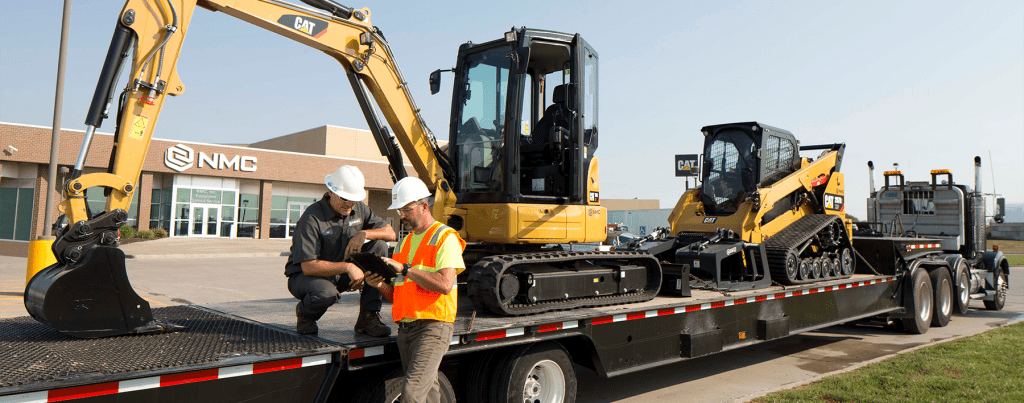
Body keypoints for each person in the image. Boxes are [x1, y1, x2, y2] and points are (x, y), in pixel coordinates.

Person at [364, 177, 465, 403]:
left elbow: (445, 285)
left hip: (433, 326)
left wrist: (406, 269)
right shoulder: (403, 244)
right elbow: (396, 294)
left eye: (406, 209)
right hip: (406, 329)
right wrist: (379, 284)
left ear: (424, 206)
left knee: (411, 394)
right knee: (427, 394)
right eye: (399, 210)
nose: (401, 216)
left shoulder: (445, 237)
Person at [285, 165, 396, 337]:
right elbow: (308, 266)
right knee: (325, 293)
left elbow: (390, 233)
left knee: (379, 246)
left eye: (353, 200)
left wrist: (365, 233)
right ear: (331, 191)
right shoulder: (311, 218)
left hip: (342, 276)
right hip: (308, 278)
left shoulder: (359, 209)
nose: (349, 204)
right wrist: (348, 268)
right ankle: (306, 314)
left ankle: (368, 317)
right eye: (345, 198)